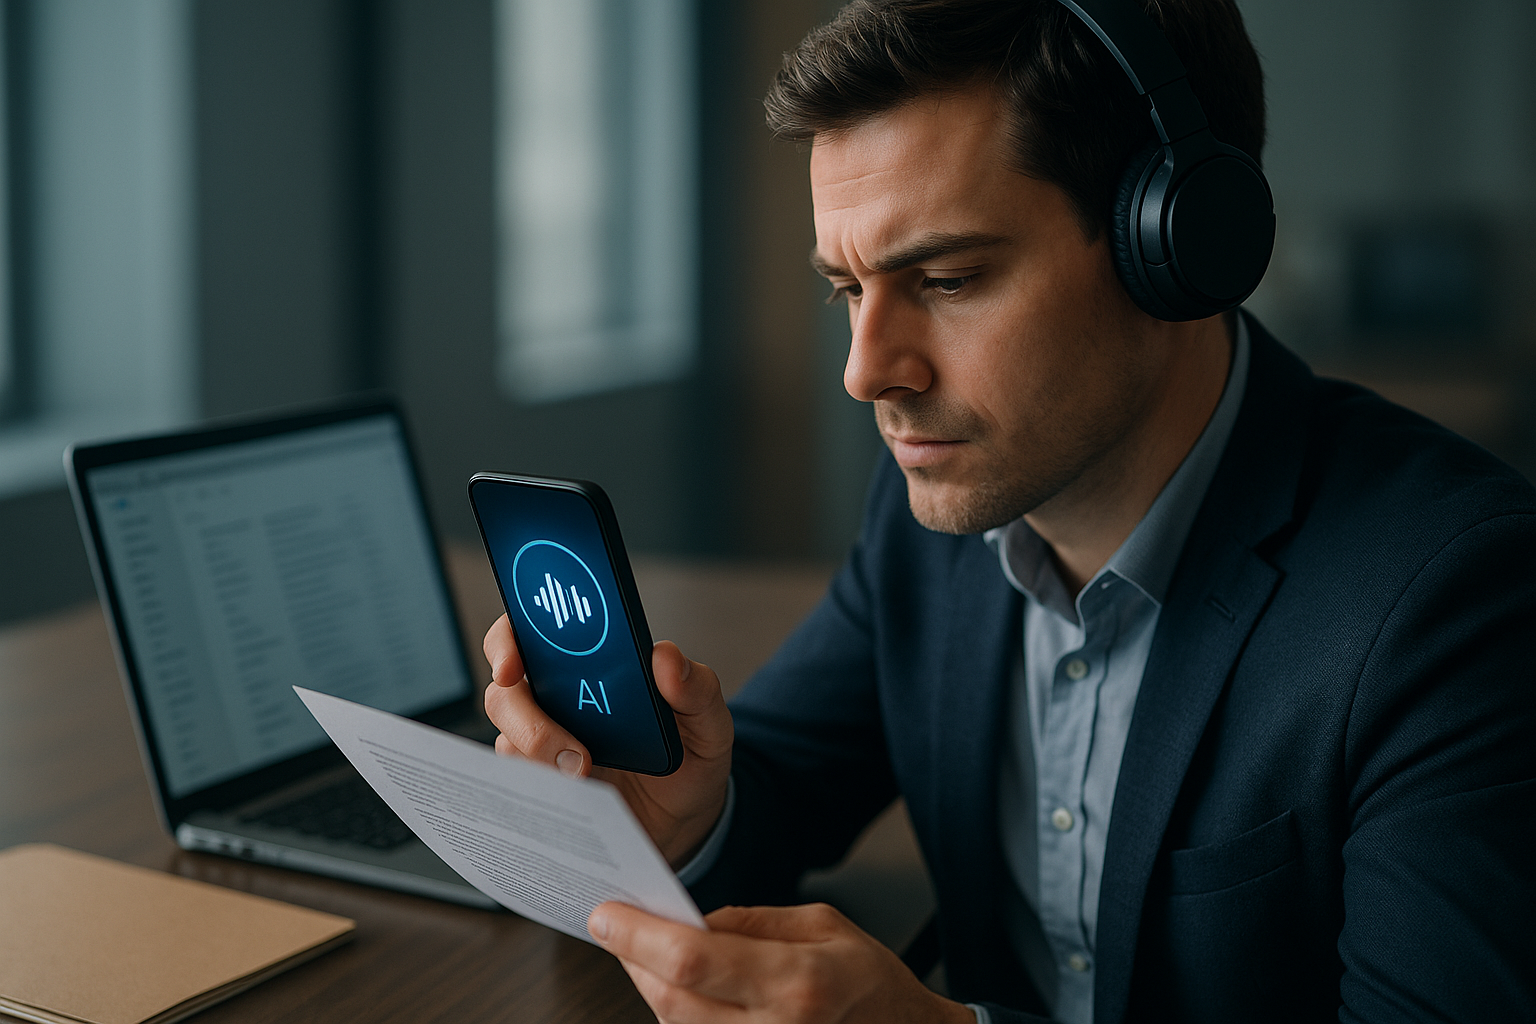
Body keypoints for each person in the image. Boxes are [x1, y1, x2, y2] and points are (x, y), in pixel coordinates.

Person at [484, 1, 1536, 1021]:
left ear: (1177, 249)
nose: (865, 373)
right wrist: (685, 816)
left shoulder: (1456, 600)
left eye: (944, 277)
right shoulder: (934, 518)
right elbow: (782, 779)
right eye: (846, 289)